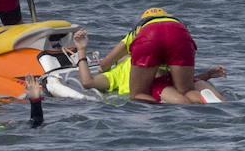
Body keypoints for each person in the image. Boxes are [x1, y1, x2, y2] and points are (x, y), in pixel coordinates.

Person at [72, 26, 226, 104]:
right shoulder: (147, 53)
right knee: (194, 90)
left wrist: (81, 50)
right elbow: (182, 79)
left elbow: (87, 82)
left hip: (157, 86)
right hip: (170, 79)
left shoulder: (117, 73)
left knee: (183, 102)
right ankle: (209, 99)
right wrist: (207, 75)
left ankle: (202, 99)